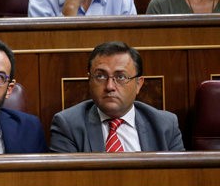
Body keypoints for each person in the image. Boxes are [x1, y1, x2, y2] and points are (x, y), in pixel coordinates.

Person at [49, 41, 184, 152]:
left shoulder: (165, 125)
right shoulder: (68, 125)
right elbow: (66, 182)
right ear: (89, 81)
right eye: (101, 76)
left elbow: (179, 180)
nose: (109, 86)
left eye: (121, 77)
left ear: (138, 84)